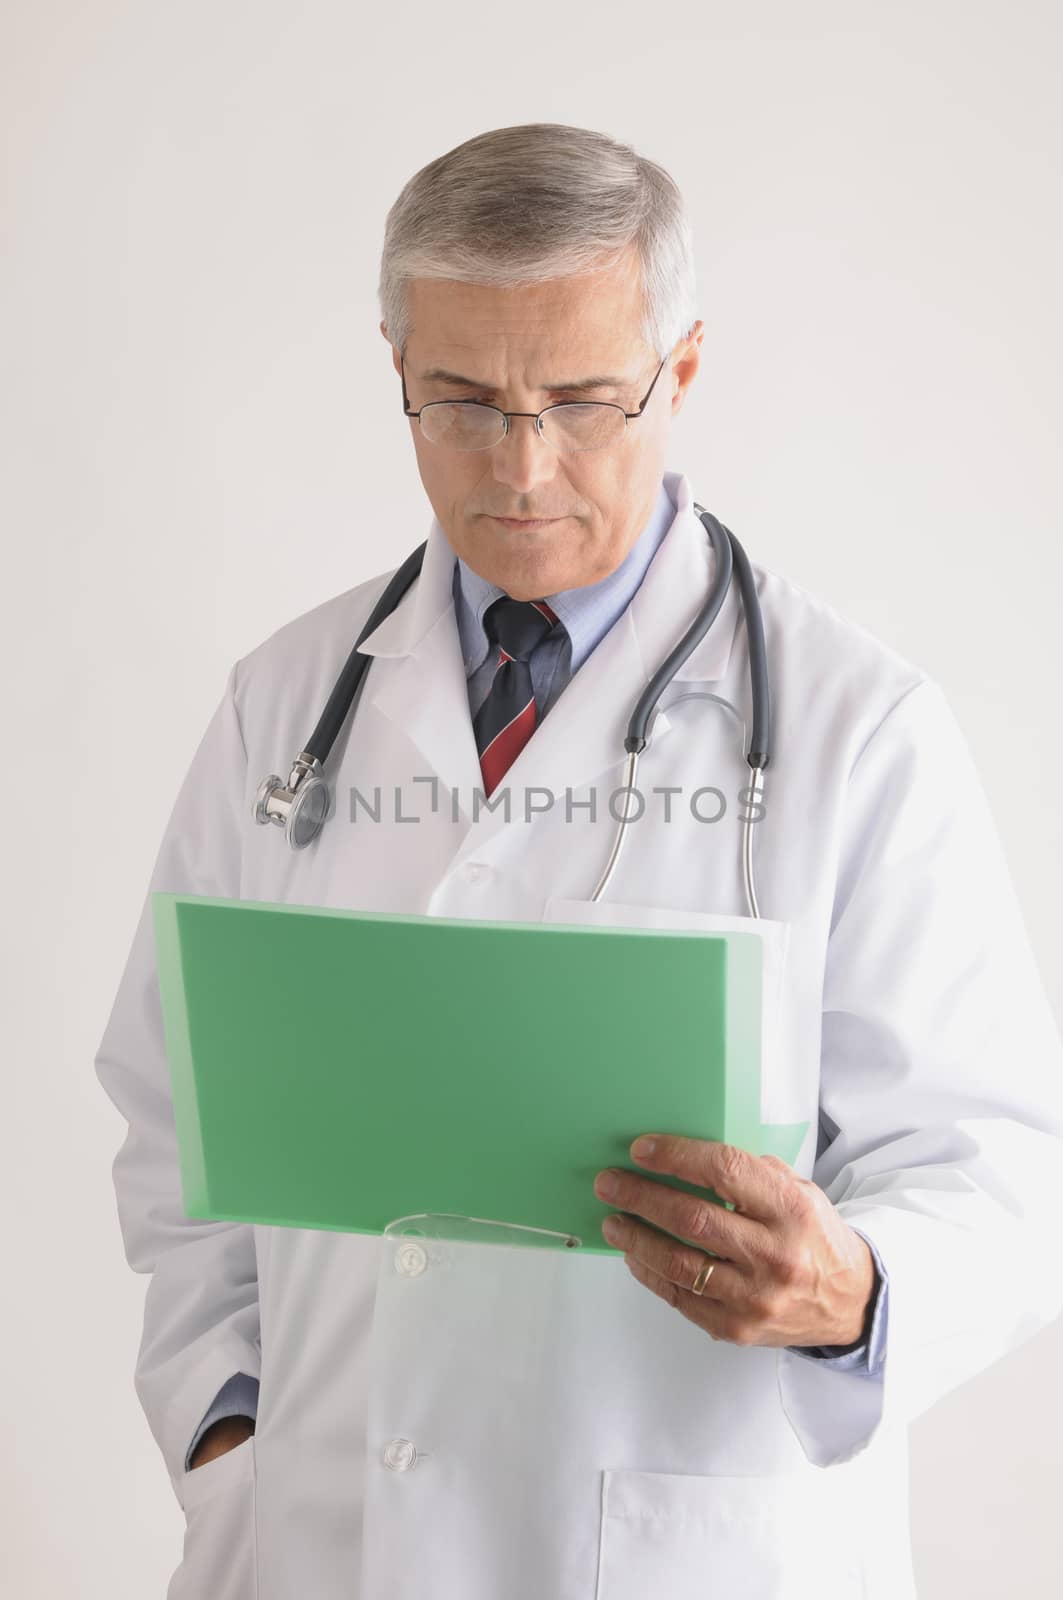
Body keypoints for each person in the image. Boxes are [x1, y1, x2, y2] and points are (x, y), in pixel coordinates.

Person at [94, 123, 1063, 1600]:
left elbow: (993, 1168)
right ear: (396, 370)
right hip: (319, 1540)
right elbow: (175, 1116)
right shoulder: (285, 706)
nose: (521, 465)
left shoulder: (857, 726)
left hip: (688, 1547)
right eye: (463, 401)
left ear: (679, 370)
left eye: (582, 401)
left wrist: (854, 1291)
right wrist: (229, 1429)